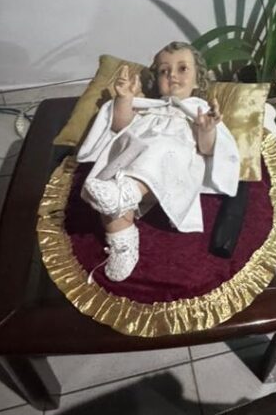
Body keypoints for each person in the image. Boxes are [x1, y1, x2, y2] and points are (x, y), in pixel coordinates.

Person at [77, 42, 240, 281]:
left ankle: (127, 192)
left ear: (198, 80)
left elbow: (207, 150)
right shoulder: (150, 106)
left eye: (182, 68)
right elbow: (120, 127)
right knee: (109, 200)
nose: (172, 75)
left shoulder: (199, 110)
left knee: (162, 147)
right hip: (130, 169)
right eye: (164, 71)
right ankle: (123, 242)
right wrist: (124, 99)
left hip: (170, 170)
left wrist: (206, 129)